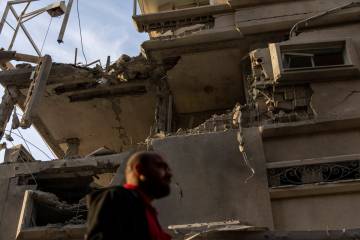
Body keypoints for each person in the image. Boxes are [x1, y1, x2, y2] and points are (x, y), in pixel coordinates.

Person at [85, 151, 173, 240]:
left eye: (168, 169)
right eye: (161, 167)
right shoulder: (117, 198)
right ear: (139, 169)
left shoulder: (143, 207)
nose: (169, 174)